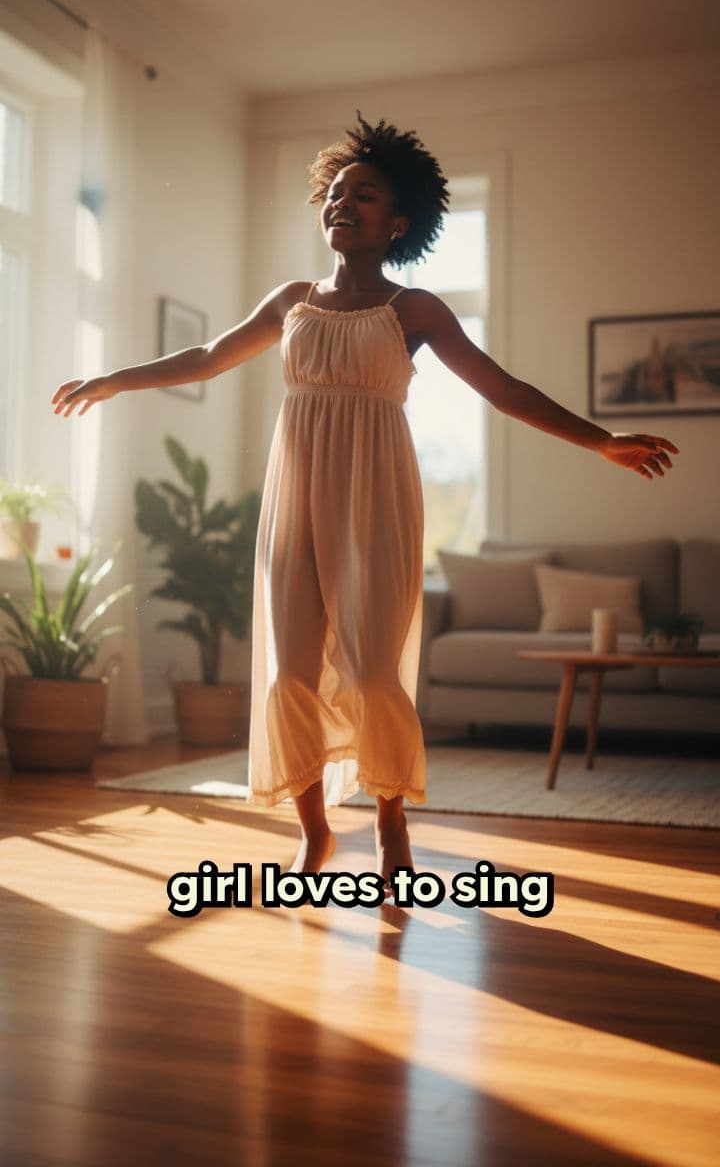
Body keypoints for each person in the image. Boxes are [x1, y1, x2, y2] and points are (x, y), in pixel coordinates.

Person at [52, 111, 679, 890]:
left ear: (399, 222)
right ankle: (313, 832)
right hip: (296, 497)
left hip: (376, 497)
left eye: (367, 194)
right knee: (289, 675)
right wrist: (113, 378)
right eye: (337, 192)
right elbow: (209, 357)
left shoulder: (414, 311)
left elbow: (504, 390)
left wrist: (602, 440)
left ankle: (389, 816)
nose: (344, 202)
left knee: (376, 671)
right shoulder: (291, 301)